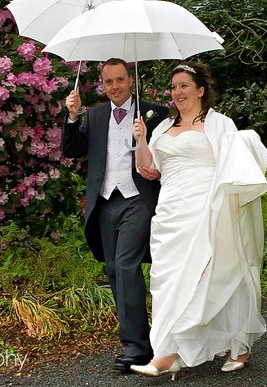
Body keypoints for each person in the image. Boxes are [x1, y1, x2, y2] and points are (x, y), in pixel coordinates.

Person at [129, 61, 267, 378]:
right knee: (169, 279)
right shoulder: (163, 127)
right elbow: (149, 169)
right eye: (174, 86)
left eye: (184, 86)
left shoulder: (219, 124)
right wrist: (140, 139)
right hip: (170, 211)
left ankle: (207, 348)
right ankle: (170, 350)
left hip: (207, 207)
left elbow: (235, 161)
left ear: (200, 90)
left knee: (214, 274)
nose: (177, 92)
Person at [61, 58, 169, 372]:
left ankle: (135, 348)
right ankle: (140, 343)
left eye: (120, 80)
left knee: (125, 265)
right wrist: (71, 116)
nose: (115, 87)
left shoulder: (154, 113)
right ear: (103, 85)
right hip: (105, 201)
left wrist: (144, 138)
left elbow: (167, 157)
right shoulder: (93, 115)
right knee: (112, 269)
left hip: (138, 200)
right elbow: (71, 149)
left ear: (129, 81)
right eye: (109, 82)